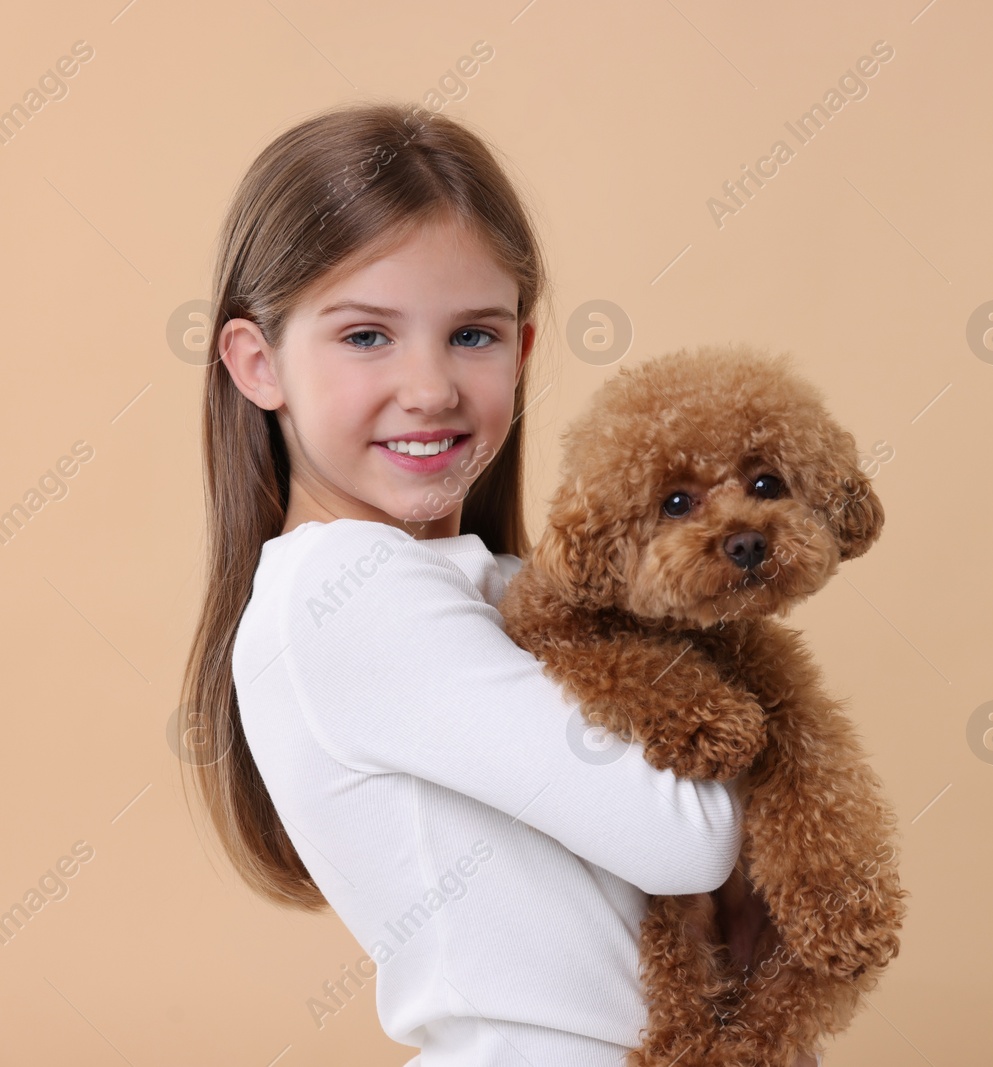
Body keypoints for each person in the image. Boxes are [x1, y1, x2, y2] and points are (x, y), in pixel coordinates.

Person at [179, 101, 820, 1067]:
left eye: (472, 335)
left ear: (521, 351)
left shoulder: (494, 587)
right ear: (257, 363)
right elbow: (686, 840)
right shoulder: (349, 592)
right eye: (365, 337)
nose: (431, 386)